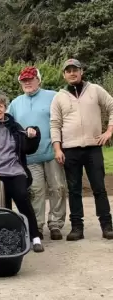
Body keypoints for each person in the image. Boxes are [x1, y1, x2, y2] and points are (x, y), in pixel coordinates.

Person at [50, 58, 113, 241]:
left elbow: (111, 105)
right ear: (64, 74)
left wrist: (109, 131)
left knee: (99, 188)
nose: (72, 73)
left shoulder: (95, 90)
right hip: (70, 150)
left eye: (75, 69)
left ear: (81, 71)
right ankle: (77, 228)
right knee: (74, 190)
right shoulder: (59, 97)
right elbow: (54, 124)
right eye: (68, 70)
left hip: (93, 148)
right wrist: (57, 148)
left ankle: (107, 226)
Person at [0, 94, 44, 252]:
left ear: (5, 108)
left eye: (1, 106)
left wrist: (33, 136)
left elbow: (27, 148)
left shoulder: (15, 126)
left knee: (22, 198)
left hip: (14, 169)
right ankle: (5, 240)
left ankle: (35, 237)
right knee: (1, 207)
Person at [8, 66, 67, 241]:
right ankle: (37, 226)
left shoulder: (54, 96)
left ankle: (55, 224)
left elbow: (65, 119)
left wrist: (61, 146)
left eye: (30, 79)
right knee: (36, 191)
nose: (27, 83)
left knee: (58, 188)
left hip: (52, 152)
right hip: (30, 156)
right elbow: (7, 123)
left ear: (38, 80)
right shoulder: (16, 103)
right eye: (24, 80)